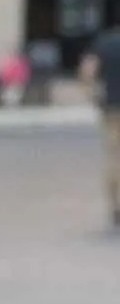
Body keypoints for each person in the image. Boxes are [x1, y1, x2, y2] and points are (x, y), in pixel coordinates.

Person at [79, 27, 120, 226]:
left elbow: (88, 70)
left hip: (111, 108)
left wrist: (92, 94)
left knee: (114, 157)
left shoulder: (105, 43)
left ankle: (115, 206)